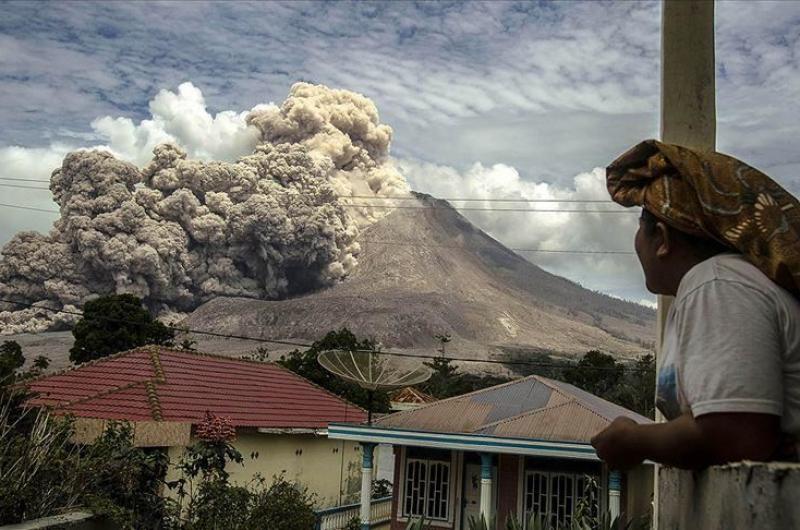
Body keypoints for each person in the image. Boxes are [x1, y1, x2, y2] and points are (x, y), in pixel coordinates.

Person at [590, 139, 800, 470]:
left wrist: (634, 440)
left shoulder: (718, 284)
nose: (636, 243)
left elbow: (736, 434)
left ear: (661, 237)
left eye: (639, 230)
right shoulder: (710, 288)